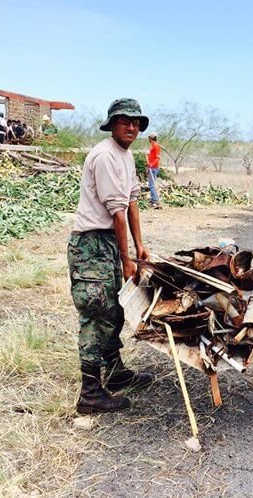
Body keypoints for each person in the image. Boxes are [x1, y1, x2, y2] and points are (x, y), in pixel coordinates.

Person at [68, 98, 154, 414]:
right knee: (94, 312)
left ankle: (115, 373)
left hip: (106, 243)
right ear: (112, 124)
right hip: (91, 244)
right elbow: (116, 212)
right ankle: (90, 393)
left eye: (137, 123)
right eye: (125, 121)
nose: (132, 127)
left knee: (113, 309)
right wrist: (126, 257)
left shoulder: (126, 155)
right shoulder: (104, 156)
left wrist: (139, 245)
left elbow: (131, 202)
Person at [146, 131, 162, 209]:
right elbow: (151, 156)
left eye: (149, 138)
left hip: (154, 168)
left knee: (152, 185)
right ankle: (154, 200)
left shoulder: (156, 146)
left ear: (151, 138)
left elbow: (157, 158)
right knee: (151, 184)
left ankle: (155, 201)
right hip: (151, 167)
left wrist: (151, 164)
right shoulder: (152, 146)